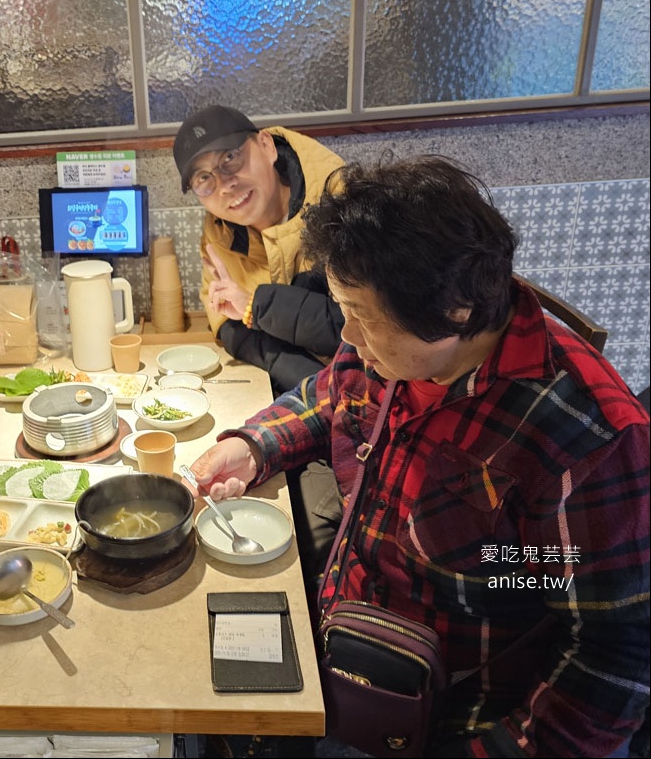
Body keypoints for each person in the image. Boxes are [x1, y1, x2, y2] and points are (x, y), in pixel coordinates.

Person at [184, 156, 650, 757]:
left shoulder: (585, 438)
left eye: (361, 318)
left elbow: (611, 658)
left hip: (450, 716)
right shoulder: (392, 347)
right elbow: (327, 397)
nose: (346, 337)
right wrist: (252, 446)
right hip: (345, 642)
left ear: (456, 312)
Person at [172, 104, 346, 396]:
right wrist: (311, 385)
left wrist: (255, 305)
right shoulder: (221, 232)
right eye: (204, 178)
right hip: (306, 395)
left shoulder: (341, 204)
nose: (224, 185)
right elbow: (226, 322)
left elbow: (357, 329)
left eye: (230, 157)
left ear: (266, 146)